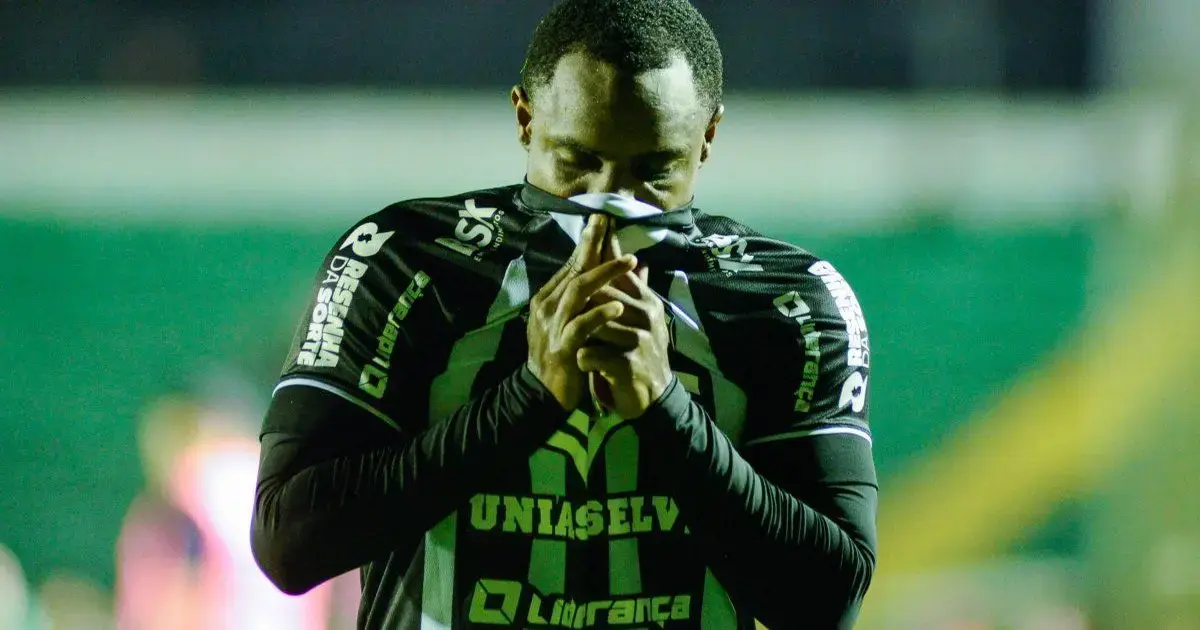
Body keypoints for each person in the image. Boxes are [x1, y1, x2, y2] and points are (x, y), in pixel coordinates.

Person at [250, 0, 877, 628]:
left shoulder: (786, 299)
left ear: (708, 136)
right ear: (525, 118)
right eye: (576, 161)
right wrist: (529, 397)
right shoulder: (405, 264)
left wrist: (666, 410)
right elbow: (288, 544)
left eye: (654, 170)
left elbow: (828, 600)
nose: (609, 204)